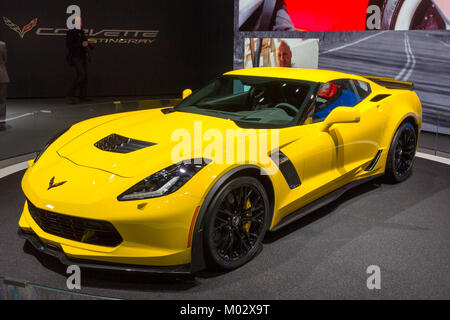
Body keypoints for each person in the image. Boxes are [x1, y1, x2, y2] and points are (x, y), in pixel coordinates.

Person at [66, 16, 91, 104]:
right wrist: (81, 44)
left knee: (84, 77)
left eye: (80, 21)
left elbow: (85, 43)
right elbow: (69, 45)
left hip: (82, 57)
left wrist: (89, 45)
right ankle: (70, 93)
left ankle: (82, 97)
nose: (80, 22)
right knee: (82, 75)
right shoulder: (71, 32)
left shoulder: (81, 32)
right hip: (75, 57)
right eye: (78, 21)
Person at [0, 41, 9, 131]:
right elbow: (5, 59)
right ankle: (1, 122)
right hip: (2, 75)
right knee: (2, 100)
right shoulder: (2, 45)